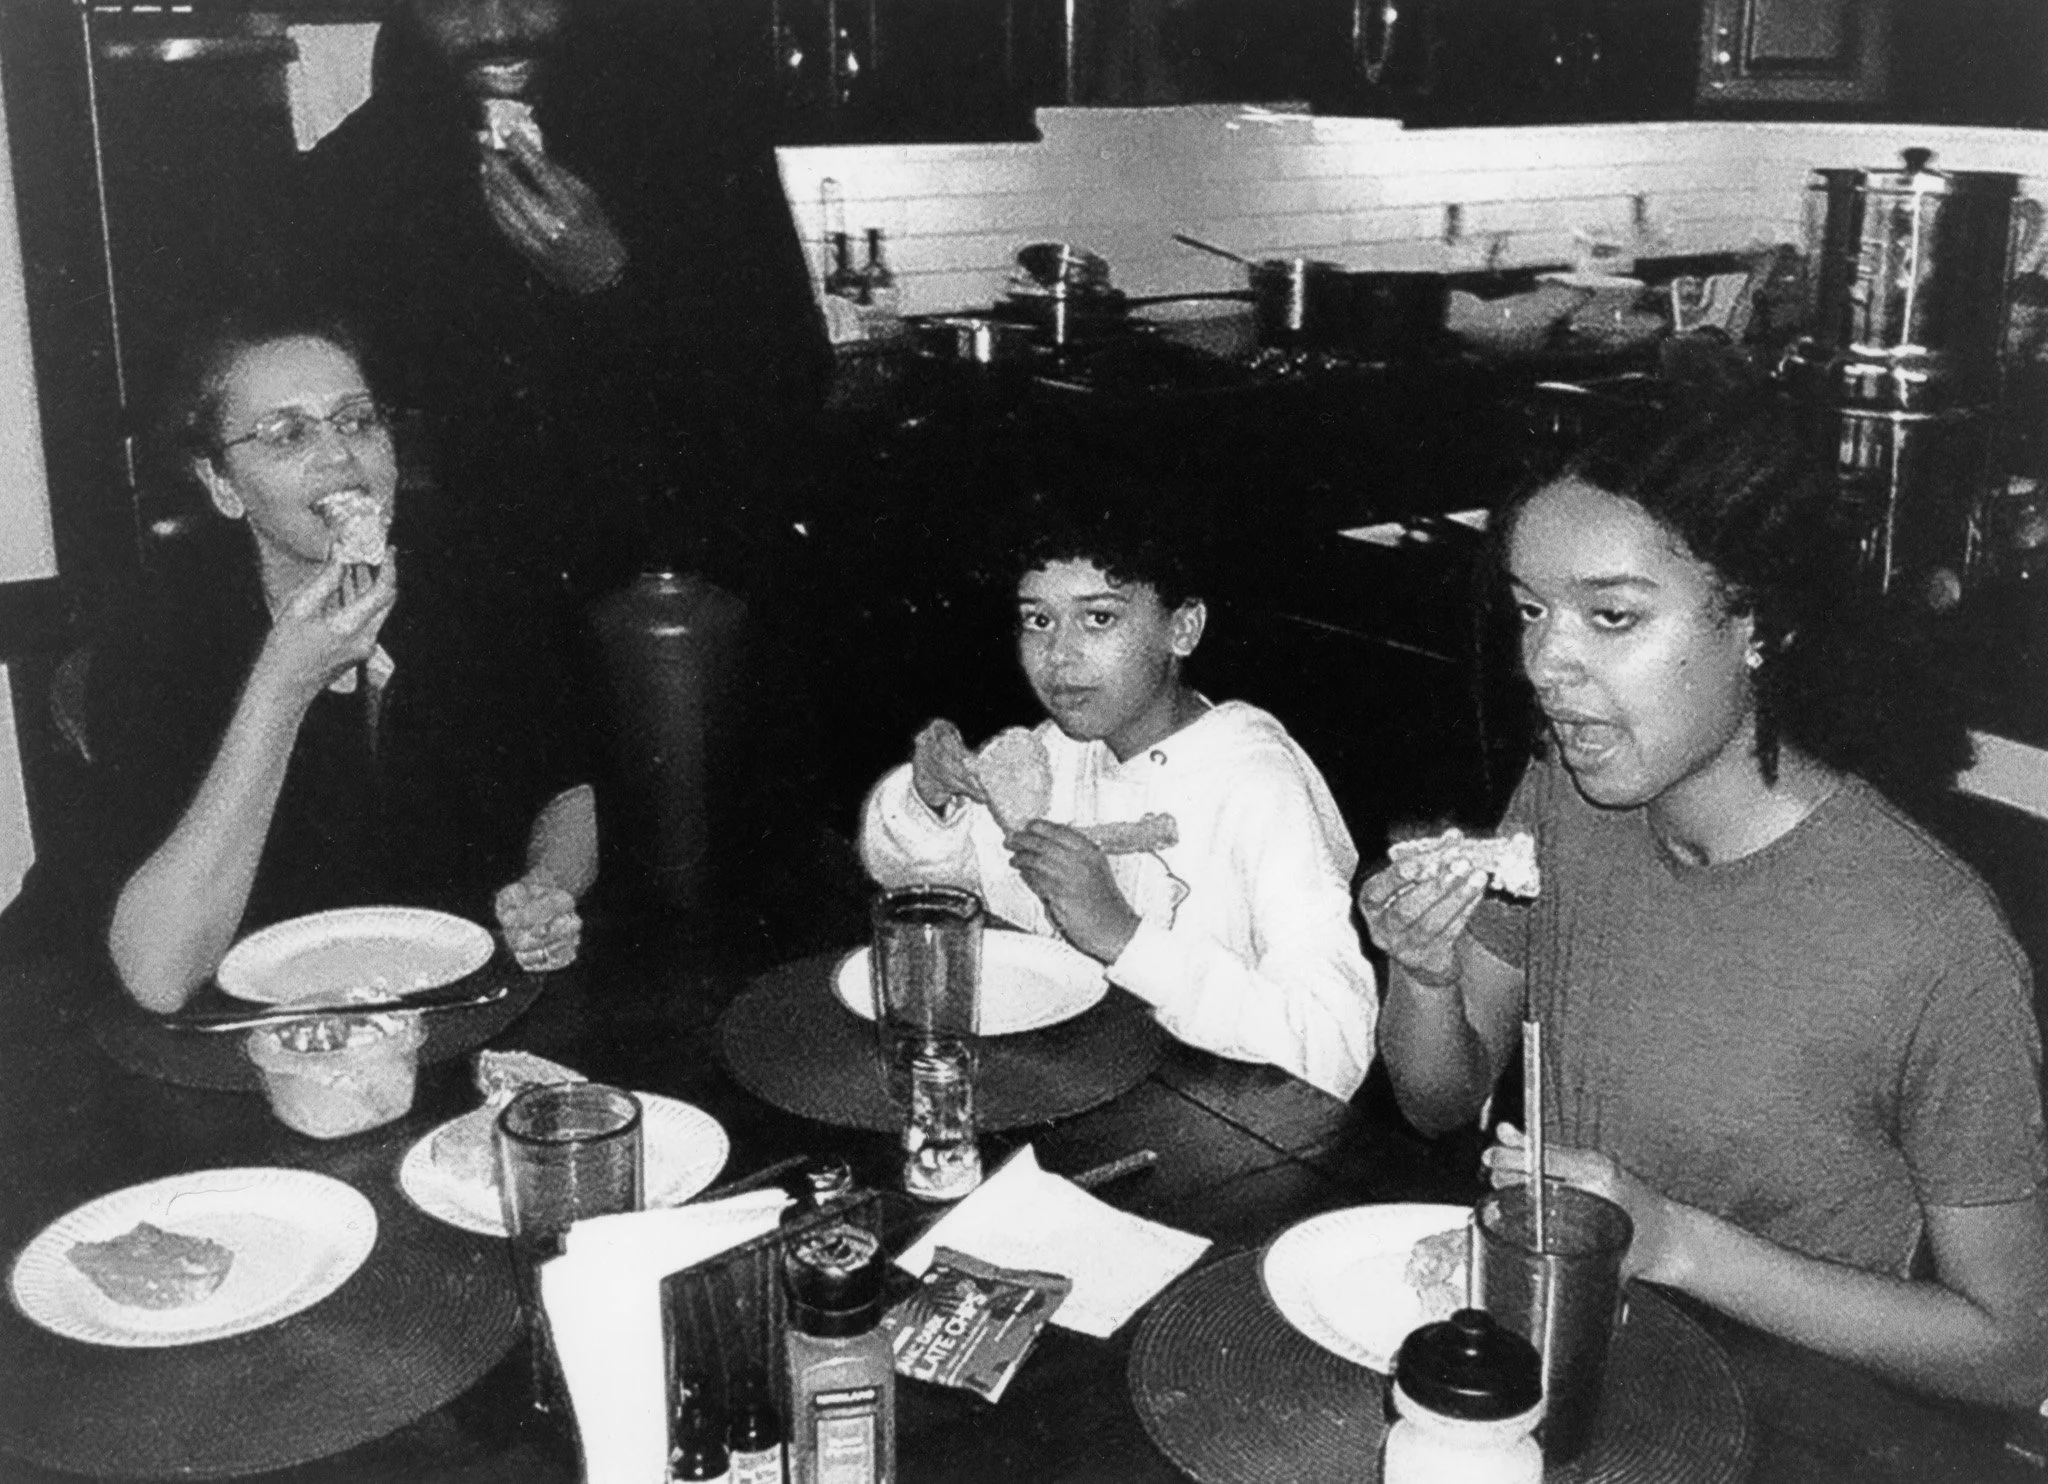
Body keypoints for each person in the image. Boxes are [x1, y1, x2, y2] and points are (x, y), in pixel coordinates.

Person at [1363, 395, 2048, 1408]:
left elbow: (2013, 1350)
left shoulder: (1931, 939)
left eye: (1611, 615)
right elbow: (1433, 1101)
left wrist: (1676, 1241)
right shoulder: (1563, 789)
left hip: (1796, 1417)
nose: (1542, 664)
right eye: (1528, 609)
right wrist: (1417, 972)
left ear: (1757, 624)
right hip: (1571, 1368)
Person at [89, 301, 597, 1014]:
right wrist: (283, 683)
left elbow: (567, 792)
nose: (339, 457)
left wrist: (547, 890)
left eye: (357, 421)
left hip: (446, 1009)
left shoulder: (482, 588)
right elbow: (159, 975)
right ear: (222, 486)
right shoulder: (160, 634)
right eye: (286, 435)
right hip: (234, 1032)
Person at [283, 0, 830, 610]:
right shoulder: (345, 183)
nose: (496, 28)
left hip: (678, 590)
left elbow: (793, 389)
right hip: (460, 608)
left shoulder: (694, 141)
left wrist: (613, 285)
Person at [859, 504, 1379, 1101]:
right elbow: (909, 879)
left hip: (1218, 1134)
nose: (1059, 656)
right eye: (1038, 620)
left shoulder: (1258, 783)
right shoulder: (1055, 752)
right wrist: (929, 796)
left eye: (1099, 619)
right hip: (1065, 1091)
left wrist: (1123, 936)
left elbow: (1335, 1048)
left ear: (1182, 630)